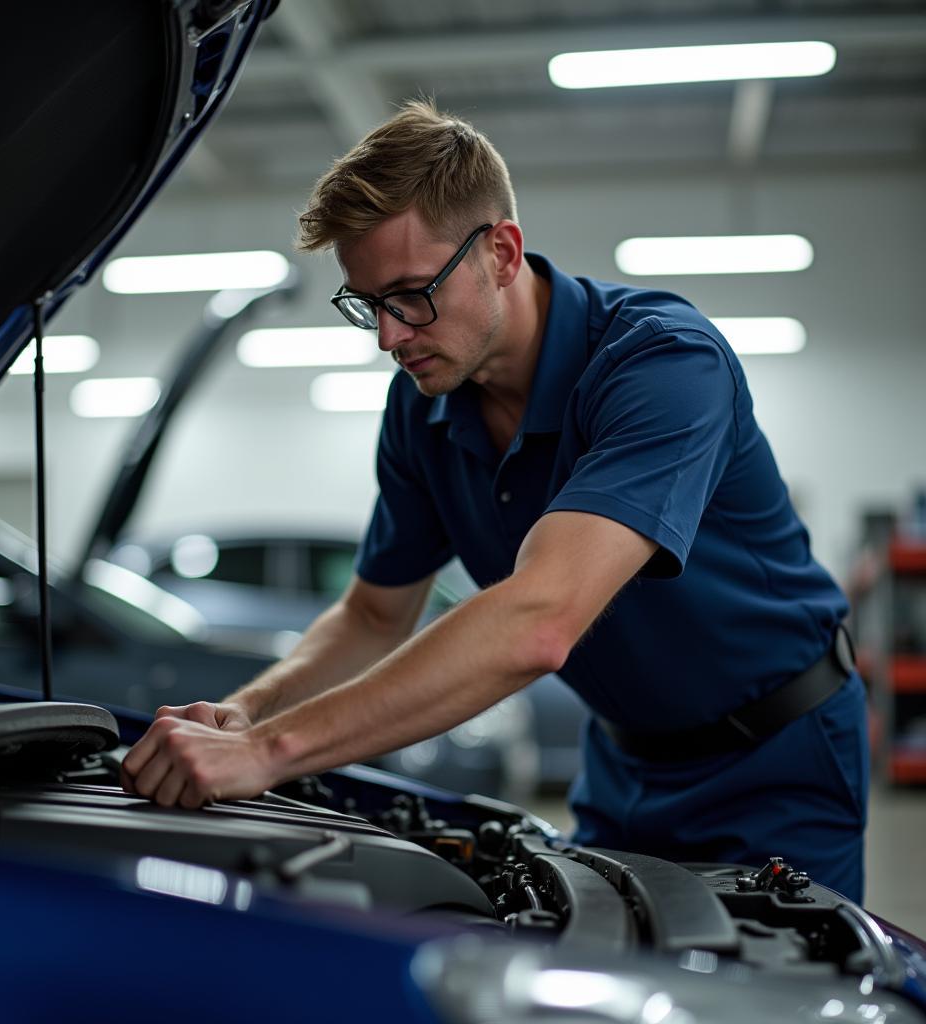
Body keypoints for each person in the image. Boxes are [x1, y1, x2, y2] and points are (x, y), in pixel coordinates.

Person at [122, 100, 868, 901]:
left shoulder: (661, 366)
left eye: (410, 294)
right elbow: (375, 615)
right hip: (622, 762)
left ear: (502, 253)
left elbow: (539, 622)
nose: (388, 337)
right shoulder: (424, 407)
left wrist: (269, 753)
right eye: (368, 304)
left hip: (777, 759)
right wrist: (246, 711)